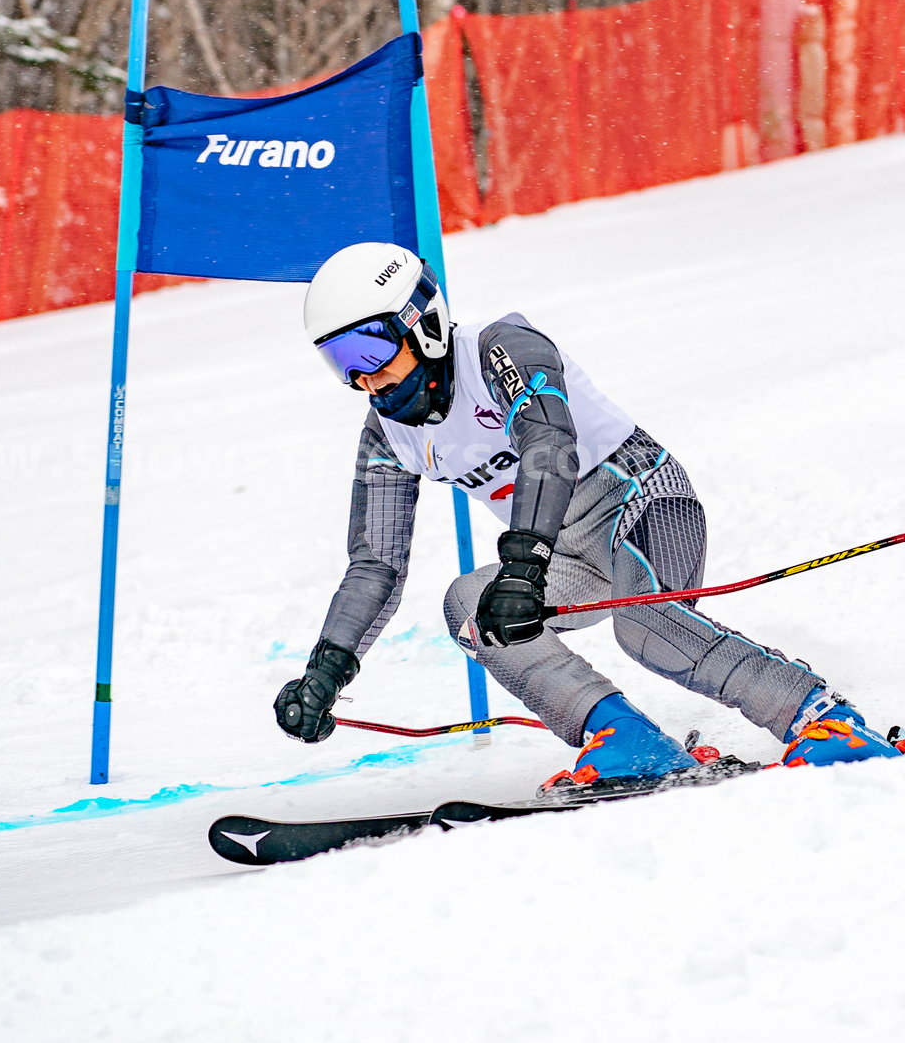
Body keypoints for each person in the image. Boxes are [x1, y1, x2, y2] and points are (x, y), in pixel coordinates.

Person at [274, 241, 901, 791]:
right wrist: (327, 669)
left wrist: (522, 570)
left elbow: (550, 449)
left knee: (644, 630)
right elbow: (376, 562)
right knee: (470, 607)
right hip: (565, 554)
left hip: (646, 503)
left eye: (370, 347)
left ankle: (823, 720)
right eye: (340, 362)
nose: (365, 378)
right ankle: (626, 740)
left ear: (422, 323)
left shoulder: (501, 348)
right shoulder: (388, 431)